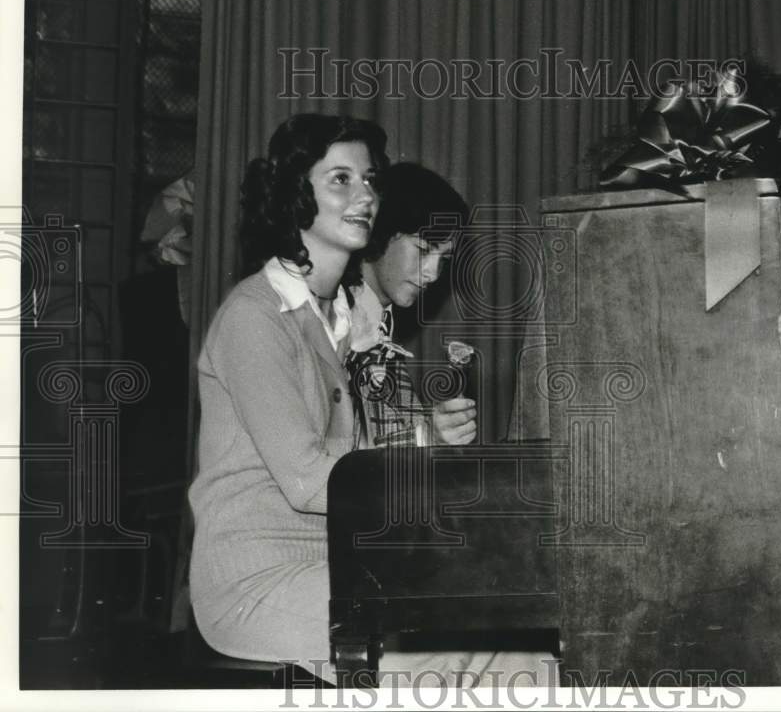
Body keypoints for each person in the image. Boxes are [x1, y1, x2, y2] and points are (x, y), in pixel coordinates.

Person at [188, 116, 552, 686]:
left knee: (520, 640)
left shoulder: (336, 322)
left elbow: (370, 455)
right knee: (463, 647)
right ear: (295, 196)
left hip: (343, 566)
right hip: (258, 582)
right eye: (340, 179)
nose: (364, 196)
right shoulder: (255, 317)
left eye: (369, 180)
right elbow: (310, 480)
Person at [346, 162, 476, 448]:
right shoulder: (334, 325)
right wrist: (426, 436)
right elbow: (336, 461)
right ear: (380, 230)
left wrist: (433, 435)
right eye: (423, 249)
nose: (432, 272)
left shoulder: (384, 335)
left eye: (443, 259)